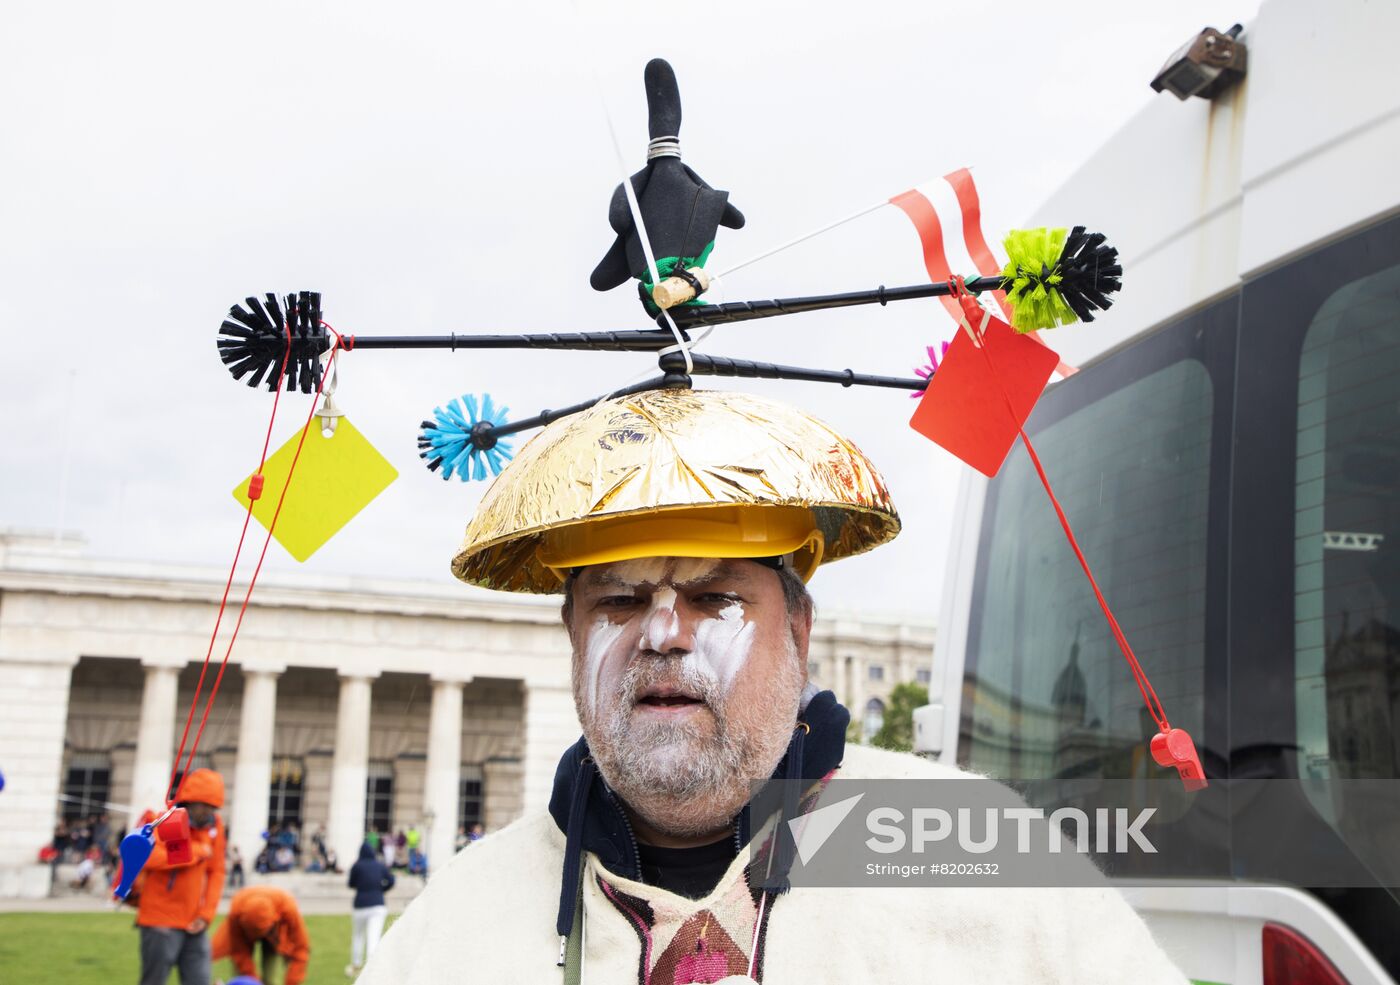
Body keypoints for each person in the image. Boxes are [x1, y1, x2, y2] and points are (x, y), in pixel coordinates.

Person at [355, 389, 1190, 982]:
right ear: (573, 637)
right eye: (620, 600)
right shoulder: (454, 923)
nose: (663, 632)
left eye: (714, 596)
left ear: (798, 630)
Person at [135, 767, 226, 985]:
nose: (208, 812)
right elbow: (148, 857)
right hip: (159, 920)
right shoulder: (166, 821)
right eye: (203, 805)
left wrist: (206, 914)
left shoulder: (214, 827)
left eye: (212, 807)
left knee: (200, 980)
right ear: (190, 802)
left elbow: (217, 872)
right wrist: (197, 852)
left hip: (194, 921)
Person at [212, 885, 311, 985]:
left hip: (273, 935)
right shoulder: (237, 909)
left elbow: (301, 949)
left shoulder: (288, 907)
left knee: (271, 978)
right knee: (242, 977)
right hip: (244, 934)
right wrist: (252, 980)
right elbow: (240, 952)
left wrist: (292, 982)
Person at [347, 841, 395, 977]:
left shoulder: (357, 866)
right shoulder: (380, 865)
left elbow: (351, 883)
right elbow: (391, 880)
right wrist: (381, 889)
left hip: (360, 905)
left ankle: (356, 965)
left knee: (358, 936)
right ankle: (371, 969)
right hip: (377, 904)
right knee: (373, 937)